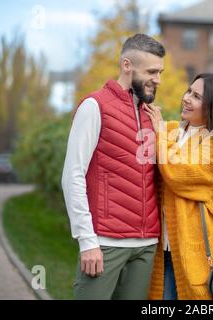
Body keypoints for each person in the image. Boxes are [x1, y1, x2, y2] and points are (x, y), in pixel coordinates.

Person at [61, 33, 165, 300]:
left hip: (145, 245)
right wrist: (87, 240)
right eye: (152, 71)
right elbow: (72, 175)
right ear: (127, 65)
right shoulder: (95, 106)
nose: (158, 79)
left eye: (161, 72)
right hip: (105, 243)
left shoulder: (151, 116)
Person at [143, 73, 213, 300]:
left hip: (196, 247)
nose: (186, 98)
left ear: (212, 107)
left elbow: (177, 173)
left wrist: (159, 134)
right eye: (189, 91)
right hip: (163, 246)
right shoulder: (173, 132)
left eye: (196, 96)